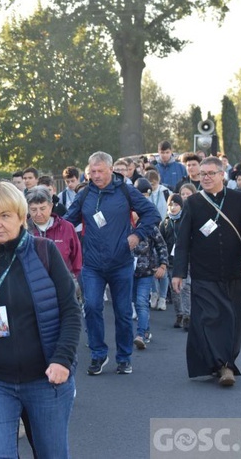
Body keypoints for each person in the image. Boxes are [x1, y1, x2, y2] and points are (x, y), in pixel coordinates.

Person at [0, 181, 81, 458]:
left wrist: (62, 359)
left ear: (22, 217)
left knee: (52, 454)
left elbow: (70, 310)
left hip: (46, 380)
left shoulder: (45, 252)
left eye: (5, 215)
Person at [64, 151, 161, 376]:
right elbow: (68, 222)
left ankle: (124, 357)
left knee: (123, 312)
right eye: (92, 172)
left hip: (121, 263)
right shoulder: (85, 193)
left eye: (100, 171)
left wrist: (137, 235)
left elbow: (152, 214)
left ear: (110, 170)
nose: (96, 175)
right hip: (92, 264)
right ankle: (98, 354)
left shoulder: (126, 190)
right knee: (92, 307)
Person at [172, 157, 241, 387]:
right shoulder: (192, 203)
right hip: (204, 274)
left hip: (234, 272)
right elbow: (182, 241)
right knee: (210, 319)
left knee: (232, 321)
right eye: (202, 174)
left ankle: (227, 360)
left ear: (222, 175)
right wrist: (179, 272)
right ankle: (224, 367)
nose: (206, 177)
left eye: (211, 173)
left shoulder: (239, 200)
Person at [130, 181, 169, 349]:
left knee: (141, 302)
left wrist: (162, 266)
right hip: (127, 273)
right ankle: (145, 330)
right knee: (131, 303)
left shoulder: (150, 227)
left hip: (146, 272)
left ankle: (141, 334)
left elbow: (162, 246)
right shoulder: (123, 226)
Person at [160, 194, 191, 329]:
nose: (173, 208)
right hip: (171, 259)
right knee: (175, 289)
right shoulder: (165, 222)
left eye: (176, 205)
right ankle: (179, 313)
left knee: (186, 287)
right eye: (171, 205)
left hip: (186, 258)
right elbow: (160, 242)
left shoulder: (186, 220)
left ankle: (187, 315)